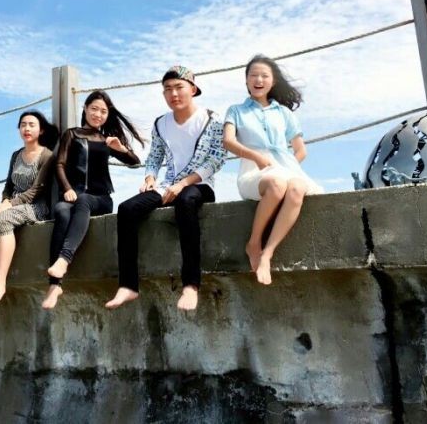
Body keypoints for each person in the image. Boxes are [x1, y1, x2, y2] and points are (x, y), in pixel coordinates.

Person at [105, 66, 226, 311]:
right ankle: (128, 286)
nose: (174, 94)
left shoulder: (212, 120)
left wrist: (183, 184)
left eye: (179, 87)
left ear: (193, 89)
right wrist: (150, 177)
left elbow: (216, 161)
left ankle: (191, 285)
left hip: (199, 185)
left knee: (185, 201)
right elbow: (154, 157)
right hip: (166, 186)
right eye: (168, 89)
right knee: (127, 209)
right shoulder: (161, 123)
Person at [223, 55, 322, 285]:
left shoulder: (284, 113)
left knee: (296, 187)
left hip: (285, 167)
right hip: (253, 171)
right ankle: (254, 243)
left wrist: (289, 166)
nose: (258, 80)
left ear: (273, 81)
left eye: (264, 76)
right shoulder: (236, 110)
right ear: (246, 80)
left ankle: (267, 254)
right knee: (277, 183)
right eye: (253, 75)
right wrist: (256, 156)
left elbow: (301, 150)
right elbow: (228, 141)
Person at [42, 90, 143, 310]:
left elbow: (135, 162)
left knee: (84, 200)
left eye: (103, 111)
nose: (98, 114)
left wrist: (121, 148)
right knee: (61, 211)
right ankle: (55, 286)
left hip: (100, 199)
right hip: (73, 196)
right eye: (94, 109)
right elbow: (59, 164)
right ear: (85, 109)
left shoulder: (107, 140)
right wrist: (67, 188)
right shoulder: (72, 134)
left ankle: (64, 259)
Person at [0, 111, 58, 309]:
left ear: (41, 130)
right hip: (11, 203)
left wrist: (8, 205)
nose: (27, 128)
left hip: (35, 206)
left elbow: (36, 190)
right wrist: (4, 201)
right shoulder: (16, 155)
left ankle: (0, 282)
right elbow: (8, 186)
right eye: (23, 124)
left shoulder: (47, 156)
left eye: (32, 125)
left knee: (2, 221)